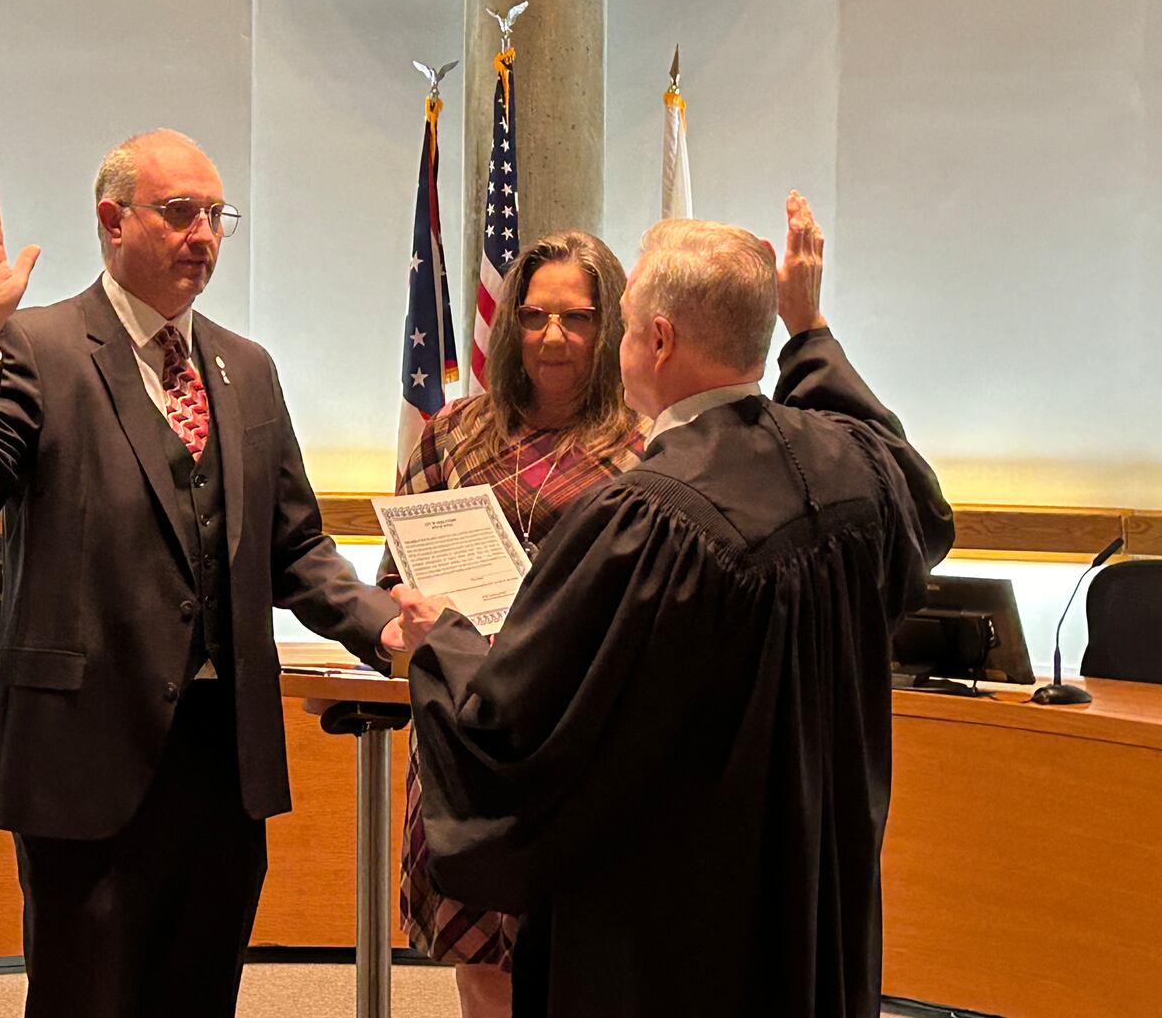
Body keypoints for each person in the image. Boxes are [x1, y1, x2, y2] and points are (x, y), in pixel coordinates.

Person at [393, 195, 956, 1017]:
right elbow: (921, 500)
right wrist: (809, 329)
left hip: (679, 903)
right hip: (809, 869)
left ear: (657, 340)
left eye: (615, 325)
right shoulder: (854, 472)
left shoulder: (647, 519)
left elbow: (519, 717)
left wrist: (439, 640)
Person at [0, 129, 402, 1017]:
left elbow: (295, 547)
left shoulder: (246, 368)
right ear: (111, 219)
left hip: (225, 761)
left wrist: (385, 626)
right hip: (82, 759)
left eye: (216, 216)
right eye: (180, 213)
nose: (202, 234)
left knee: (199, 996)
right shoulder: (35, 347)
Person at [380, 231, 650, 1018]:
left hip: (577, 740)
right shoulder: (453, 432)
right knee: (482, 962)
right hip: (466, 730)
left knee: (576, 958)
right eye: (533, 317)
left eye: (577, 317)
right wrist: (410, 611)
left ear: (612, 327)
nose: (553, 337)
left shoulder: (645, 443)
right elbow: (397, 572)